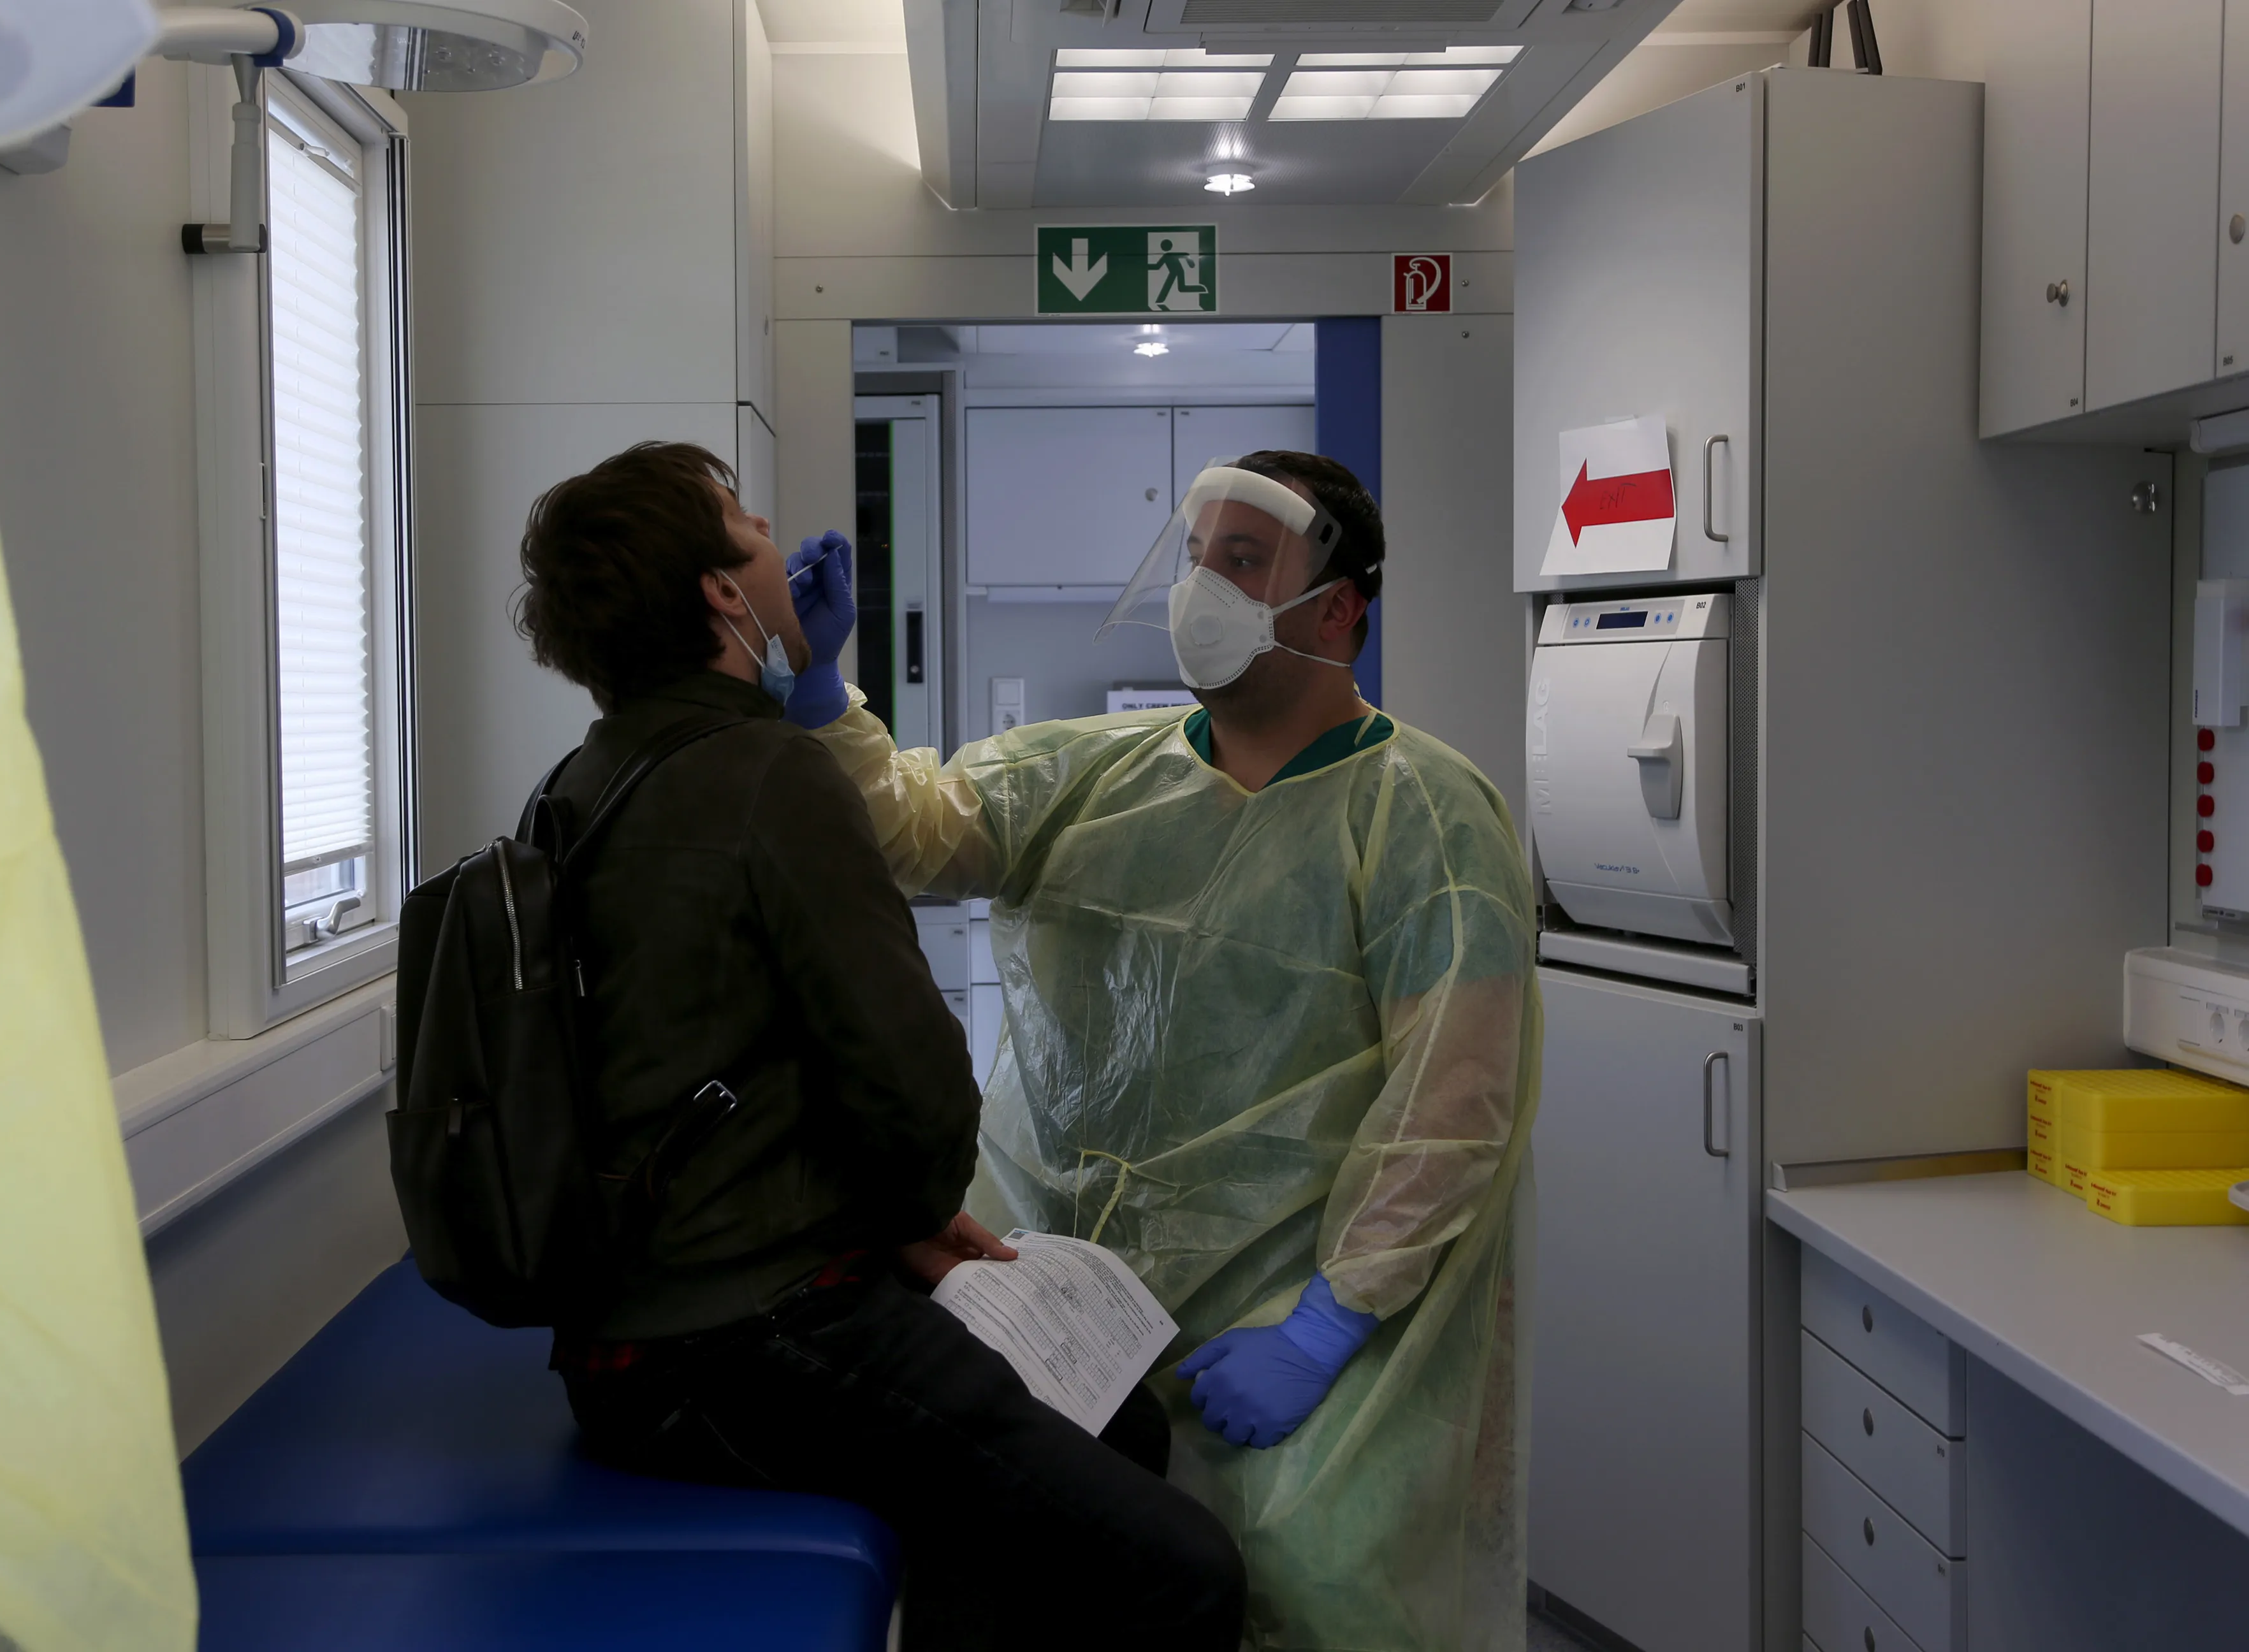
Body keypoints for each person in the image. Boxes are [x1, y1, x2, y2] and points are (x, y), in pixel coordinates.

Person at [786, 451, 1541, 1652]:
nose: (1206, 591)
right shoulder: (1093, 771)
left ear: (1340, 606)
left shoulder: (1429, 815)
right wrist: (827, 699)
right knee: (1054, 1596)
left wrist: (1328, 1325)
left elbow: (1452, 1100)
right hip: (1063, 1306)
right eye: (1197, 561)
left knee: (1305, 1589)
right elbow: (914, 834)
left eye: (1244, 564)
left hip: (1291, 1322)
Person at [511, 440, 1247, 1652]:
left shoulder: (583, 784)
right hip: (743, 1343)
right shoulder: (768, 778)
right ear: (718, 596)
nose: (770, 535)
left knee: (1114, 1427)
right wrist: (913, 1221)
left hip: (624, 1339)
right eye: (743, 522)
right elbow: (913, 1088)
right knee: (1183, 1573)